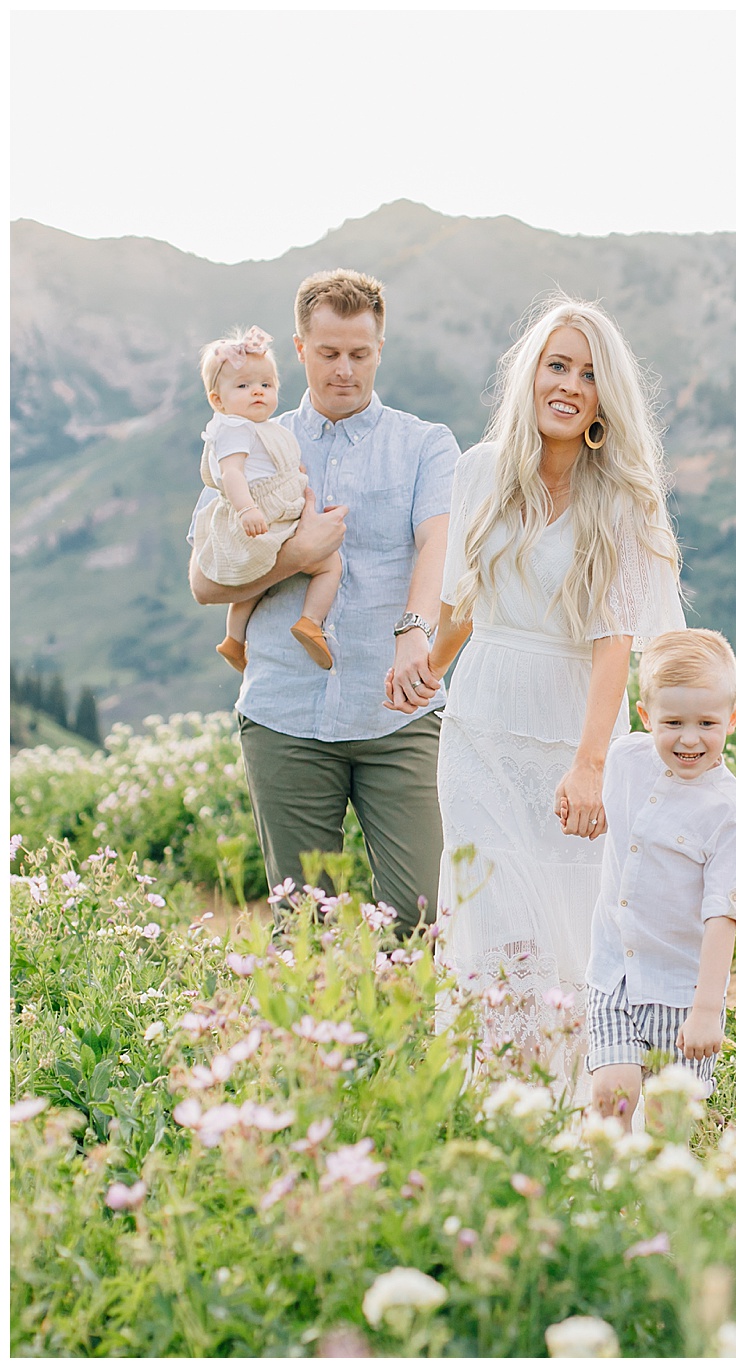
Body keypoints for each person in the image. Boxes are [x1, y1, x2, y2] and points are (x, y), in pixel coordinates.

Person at [388, 294, 685, 1095]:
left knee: (571, 925)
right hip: (479, 728)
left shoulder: (619, 497)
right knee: (495, 919)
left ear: (603, 397)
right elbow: (462, 602)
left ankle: (576, 1102)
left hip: (569, 736)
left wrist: (592, 766)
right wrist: (426, 667)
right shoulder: (480, 469)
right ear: (532, 375)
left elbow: (615, 643)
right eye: (557, 365)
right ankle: (502, 1100)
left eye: (589, 375)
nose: (570, 385)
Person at [188, 270, 459, 934]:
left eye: (359, 354)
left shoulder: (426, 445)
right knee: (303, 930)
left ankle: (405, 1041)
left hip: (400, 718)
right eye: (329, 352)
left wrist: (414, 630)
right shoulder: (248, 439)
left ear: (379, 349)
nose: (344, 369)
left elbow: (437, 547)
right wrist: (298, 558)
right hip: (285, 716)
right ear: (300, 349)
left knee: (418, 920)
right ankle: (314, 1044)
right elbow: (205, 580)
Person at [585, 629, 736, 1116]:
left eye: (707, 723)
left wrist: (706, 1011)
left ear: (732, 719)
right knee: (611, 1097)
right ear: (645, 716)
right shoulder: (623, 760)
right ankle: (608, 1190)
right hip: (614, 970)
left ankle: (658, 1191)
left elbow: (722, 914)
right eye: (673, 721)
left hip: (681, 990)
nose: (690, 738)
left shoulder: (727, 810)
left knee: (668, 1119)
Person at [190, 325, 342, 672]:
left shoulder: (265, 429)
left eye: (266, 385)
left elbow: (276, 463)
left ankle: (233, 639)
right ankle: (311, 622)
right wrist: (247, 509)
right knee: (330, 563)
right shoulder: (233, 429)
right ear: (218, 400)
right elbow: (232, 474)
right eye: (243, 386)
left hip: (274, 511)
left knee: (251, 581)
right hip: (263, 516)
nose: (257, 392)